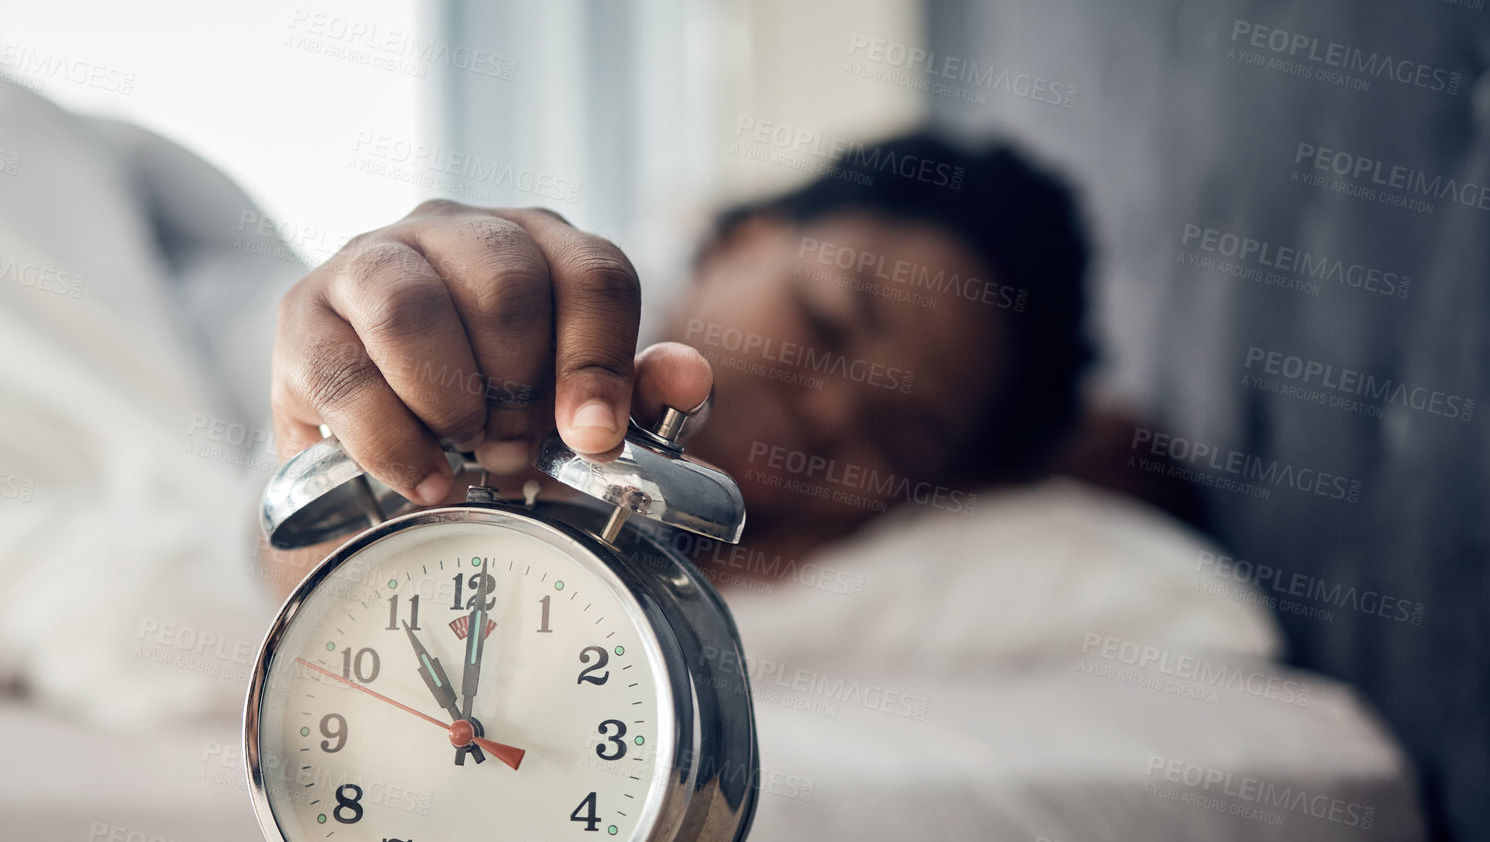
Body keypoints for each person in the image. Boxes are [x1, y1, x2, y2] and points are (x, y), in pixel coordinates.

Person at [269, 132, 1094, 569]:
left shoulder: (859, 561)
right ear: (744, 240)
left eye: (900, 436)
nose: (832, 412)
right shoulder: (536, 314)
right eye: (827, 323)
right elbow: (281, 545)